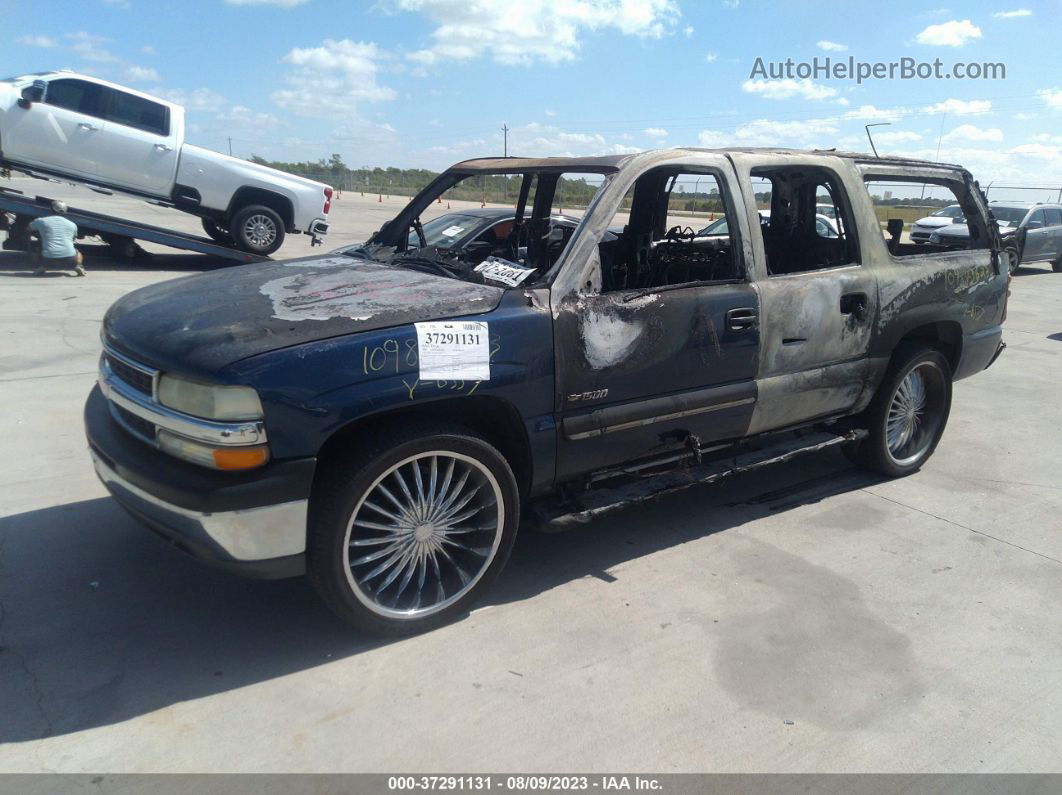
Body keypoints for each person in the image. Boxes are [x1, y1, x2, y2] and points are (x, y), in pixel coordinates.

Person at [30, 201, 84, 277]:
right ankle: (78, 266)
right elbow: (73, 238)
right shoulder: (72, 224)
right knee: (78, 252)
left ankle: (40, 267)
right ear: (65, 211)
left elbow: (28, 228)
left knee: (35, 250)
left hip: (47, 260)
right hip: (70, 260)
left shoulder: (41, 221)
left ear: (51, 209)